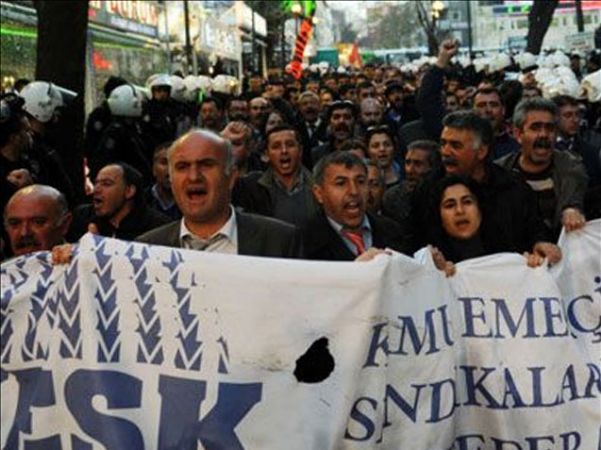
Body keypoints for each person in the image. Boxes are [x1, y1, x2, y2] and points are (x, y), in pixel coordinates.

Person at [409, 110, 560, 264]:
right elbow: (414, 242)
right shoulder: (427, 189)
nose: (445, 152)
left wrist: (539, 245)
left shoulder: (513, 189)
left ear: (481, 151)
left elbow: (535, 230)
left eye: (455, 145)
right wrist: (430, 258)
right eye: (443, 144)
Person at [136, 129, 303, 258]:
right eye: (182, 167)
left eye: (206, 165)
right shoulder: (146, 249)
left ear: (231, 177)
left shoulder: (280, 241)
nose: (193, 176)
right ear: (171, 180)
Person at [495, 98, 588, 237]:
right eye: (535, 128)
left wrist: (572, 210)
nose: (544, 134)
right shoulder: (499, 173)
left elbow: (575, 199)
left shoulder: (572, 169)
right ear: (518, 134)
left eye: (550, 128)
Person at [303, 151, 407, 261]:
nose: (354, 191)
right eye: (341, 183)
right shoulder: (303, 240)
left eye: (360, 181)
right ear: (319, 193)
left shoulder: (392, 230)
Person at [430, 175, 546, 270]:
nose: (460, 211)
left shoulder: (510, 251)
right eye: (450, 205)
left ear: (480, 209)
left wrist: (531, 266)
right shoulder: (432, 260)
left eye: (467, 202)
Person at [232, 124, 318, 229]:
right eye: (276, 146)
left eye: (290, 145)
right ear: (267, 154)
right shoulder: (250, 186)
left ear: (300, 150)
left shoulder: (320, 185)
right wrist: (223, 137)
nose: (284, 151)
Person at [68, 162, 170, 241]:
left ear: (129, 191)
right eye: (96, 183)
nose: (96, 190)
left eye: (106, 184)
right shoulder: (82, 217)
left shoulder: (159, 227)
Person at [4, 184, 71, 258]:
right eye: (15, 223)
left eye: (38, 222)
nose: (24, 233)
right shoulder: (4, 265)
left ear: (64, 224)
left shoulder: (80, 262)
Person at [383, 140, 440, 226]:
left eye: (418, 164)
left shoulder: (442, 195)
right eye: (407, 163)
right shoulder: (392, 198)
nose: (410, 170)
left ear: (433, 167)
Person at [311, 100, 357, 166]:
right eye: (336, 117)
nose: (341, 121)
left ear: (354, 122)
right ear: (329, 122)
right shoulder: (317, 153)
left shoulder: (362, 151)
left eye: (347, 117)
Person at [145, 142, 182, 220]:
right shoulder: (139, 201)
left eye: (177, 163)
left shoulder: (194, 202)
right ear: (154, 169)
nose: (170, 170)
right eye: (164, 163)